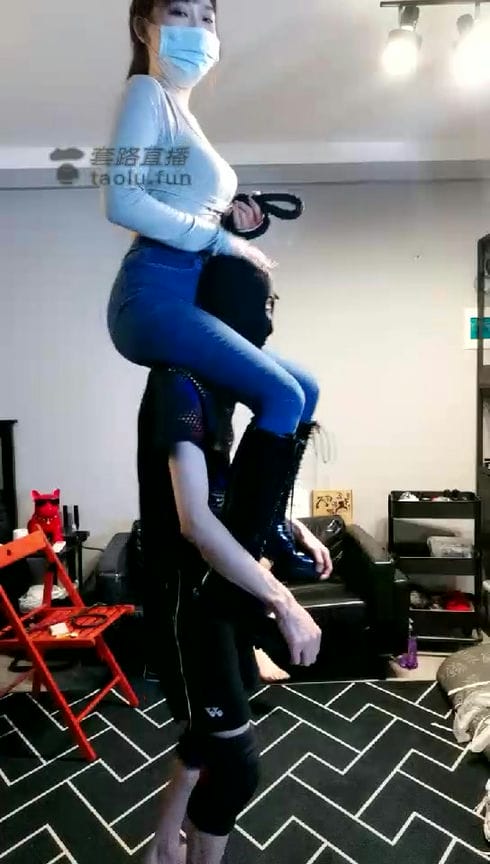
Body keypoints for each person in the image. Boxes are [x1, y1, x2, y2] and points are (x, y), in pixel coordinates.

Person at [103, 0, 322, 577]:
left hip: (186, 288)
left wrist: (233, 226)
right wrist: (223, 241)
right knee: (283, 396)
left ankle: (270, 522)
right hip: (151, 294)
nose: (197, 29)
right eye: (179, 12)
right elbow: (122, 201)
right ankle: (247, 554)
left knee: (304, 388)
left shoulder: (182, 114)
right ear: (144, 27)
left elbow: (180, 208)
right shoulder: (146, 93)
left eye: (208, 17)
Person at [137, 255, 333, 864]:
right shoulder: (177, 385)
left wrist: (286, 525)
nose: (268, 322)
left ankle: (162, 849)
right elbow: (196, 521)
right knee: (236, 767)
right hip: (186, 603)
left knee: (205, 739)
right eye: (262, 305)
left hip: (218, 590)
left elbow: (233, 491)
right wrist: (285, 602)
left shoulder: (218, 387)